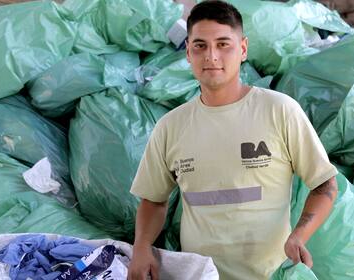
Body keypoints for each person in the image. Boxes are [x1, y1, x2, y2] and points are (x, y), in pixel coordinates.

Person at [127, 1, 338, 279]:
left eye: (223, 44)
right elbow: (153, 201)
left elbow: (325, 184)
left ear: (243, 49)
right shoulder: (171, 126)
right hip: (201, 274)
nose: (211, 56)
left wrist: (299, 235)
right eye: (200, 45)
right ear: (188, 52)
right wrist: (141, 247)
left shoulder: (279, 110)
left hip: (268, 274)